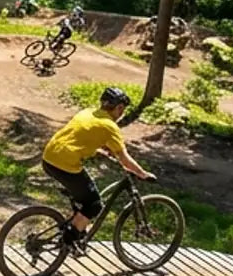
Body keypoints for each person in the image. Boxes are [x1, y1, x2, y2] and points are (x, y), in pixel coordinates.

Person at [42, 86, 154, 253]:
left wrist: (99, 151)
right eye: (122, 110)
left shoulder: (87, 113)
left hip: (48, 158)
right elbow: (124, 159)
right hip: (65, 165)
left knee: (83, 195)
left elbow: (80, 136)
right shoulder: (110, 126)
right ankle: (68, 239)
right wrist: (142, 173)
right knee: (94, 205)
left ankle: (78, 229)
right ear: (119, 108)